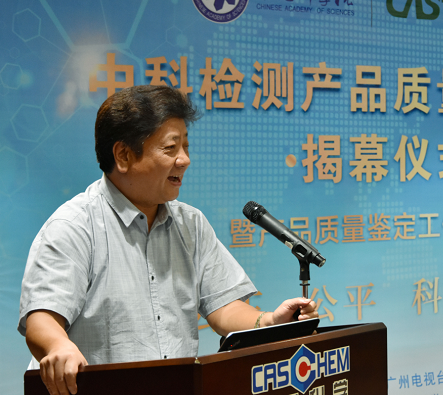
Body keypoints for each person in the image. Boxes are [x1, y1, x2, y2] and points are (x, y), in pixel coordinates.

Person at [18, 85, 318, 395]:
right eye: (171, 148)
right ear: (123, 155)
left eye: (186, 146)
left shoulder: (191, 224)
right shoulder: (74, 226)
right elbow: (41, 319)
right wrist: (58, 345)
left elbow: (224, 309)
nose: (184, 160)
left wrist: (269, 322)